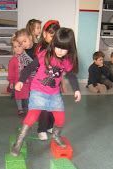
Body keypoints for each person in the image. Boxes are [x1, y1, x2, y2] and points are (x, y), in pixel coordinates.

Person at [11, 27, 81, 157]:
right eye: (58, 47)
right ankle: (19, 141)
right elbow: (29, 68)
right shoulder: (44, 55)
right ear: (53, 44)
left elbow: (71, 75)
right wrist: (21, 81)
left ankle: (56, 136)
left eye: (64, 48)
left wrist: (76, 89)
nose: (60, 51)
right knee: (32, 116)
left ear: (70, 48)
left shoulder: (66, 60)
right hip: (38, 91)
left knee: (60, 118)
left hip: (54, 94)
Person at [7, 36, 32, 116]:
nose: (17, 48)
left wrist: (31, 79)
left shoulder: (26, 59)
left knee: (27, 95)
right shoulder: (13, 60)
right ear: (13, 48)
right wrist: (11, 82)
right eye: (15, 47)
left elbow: (30, 69)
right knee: (18, 95)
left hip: (26, 81)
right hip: (17, 81)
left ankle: (27, 107)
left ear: (23, 47)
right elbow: (10, 72)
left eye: (19, 46)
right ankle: (20, 109)